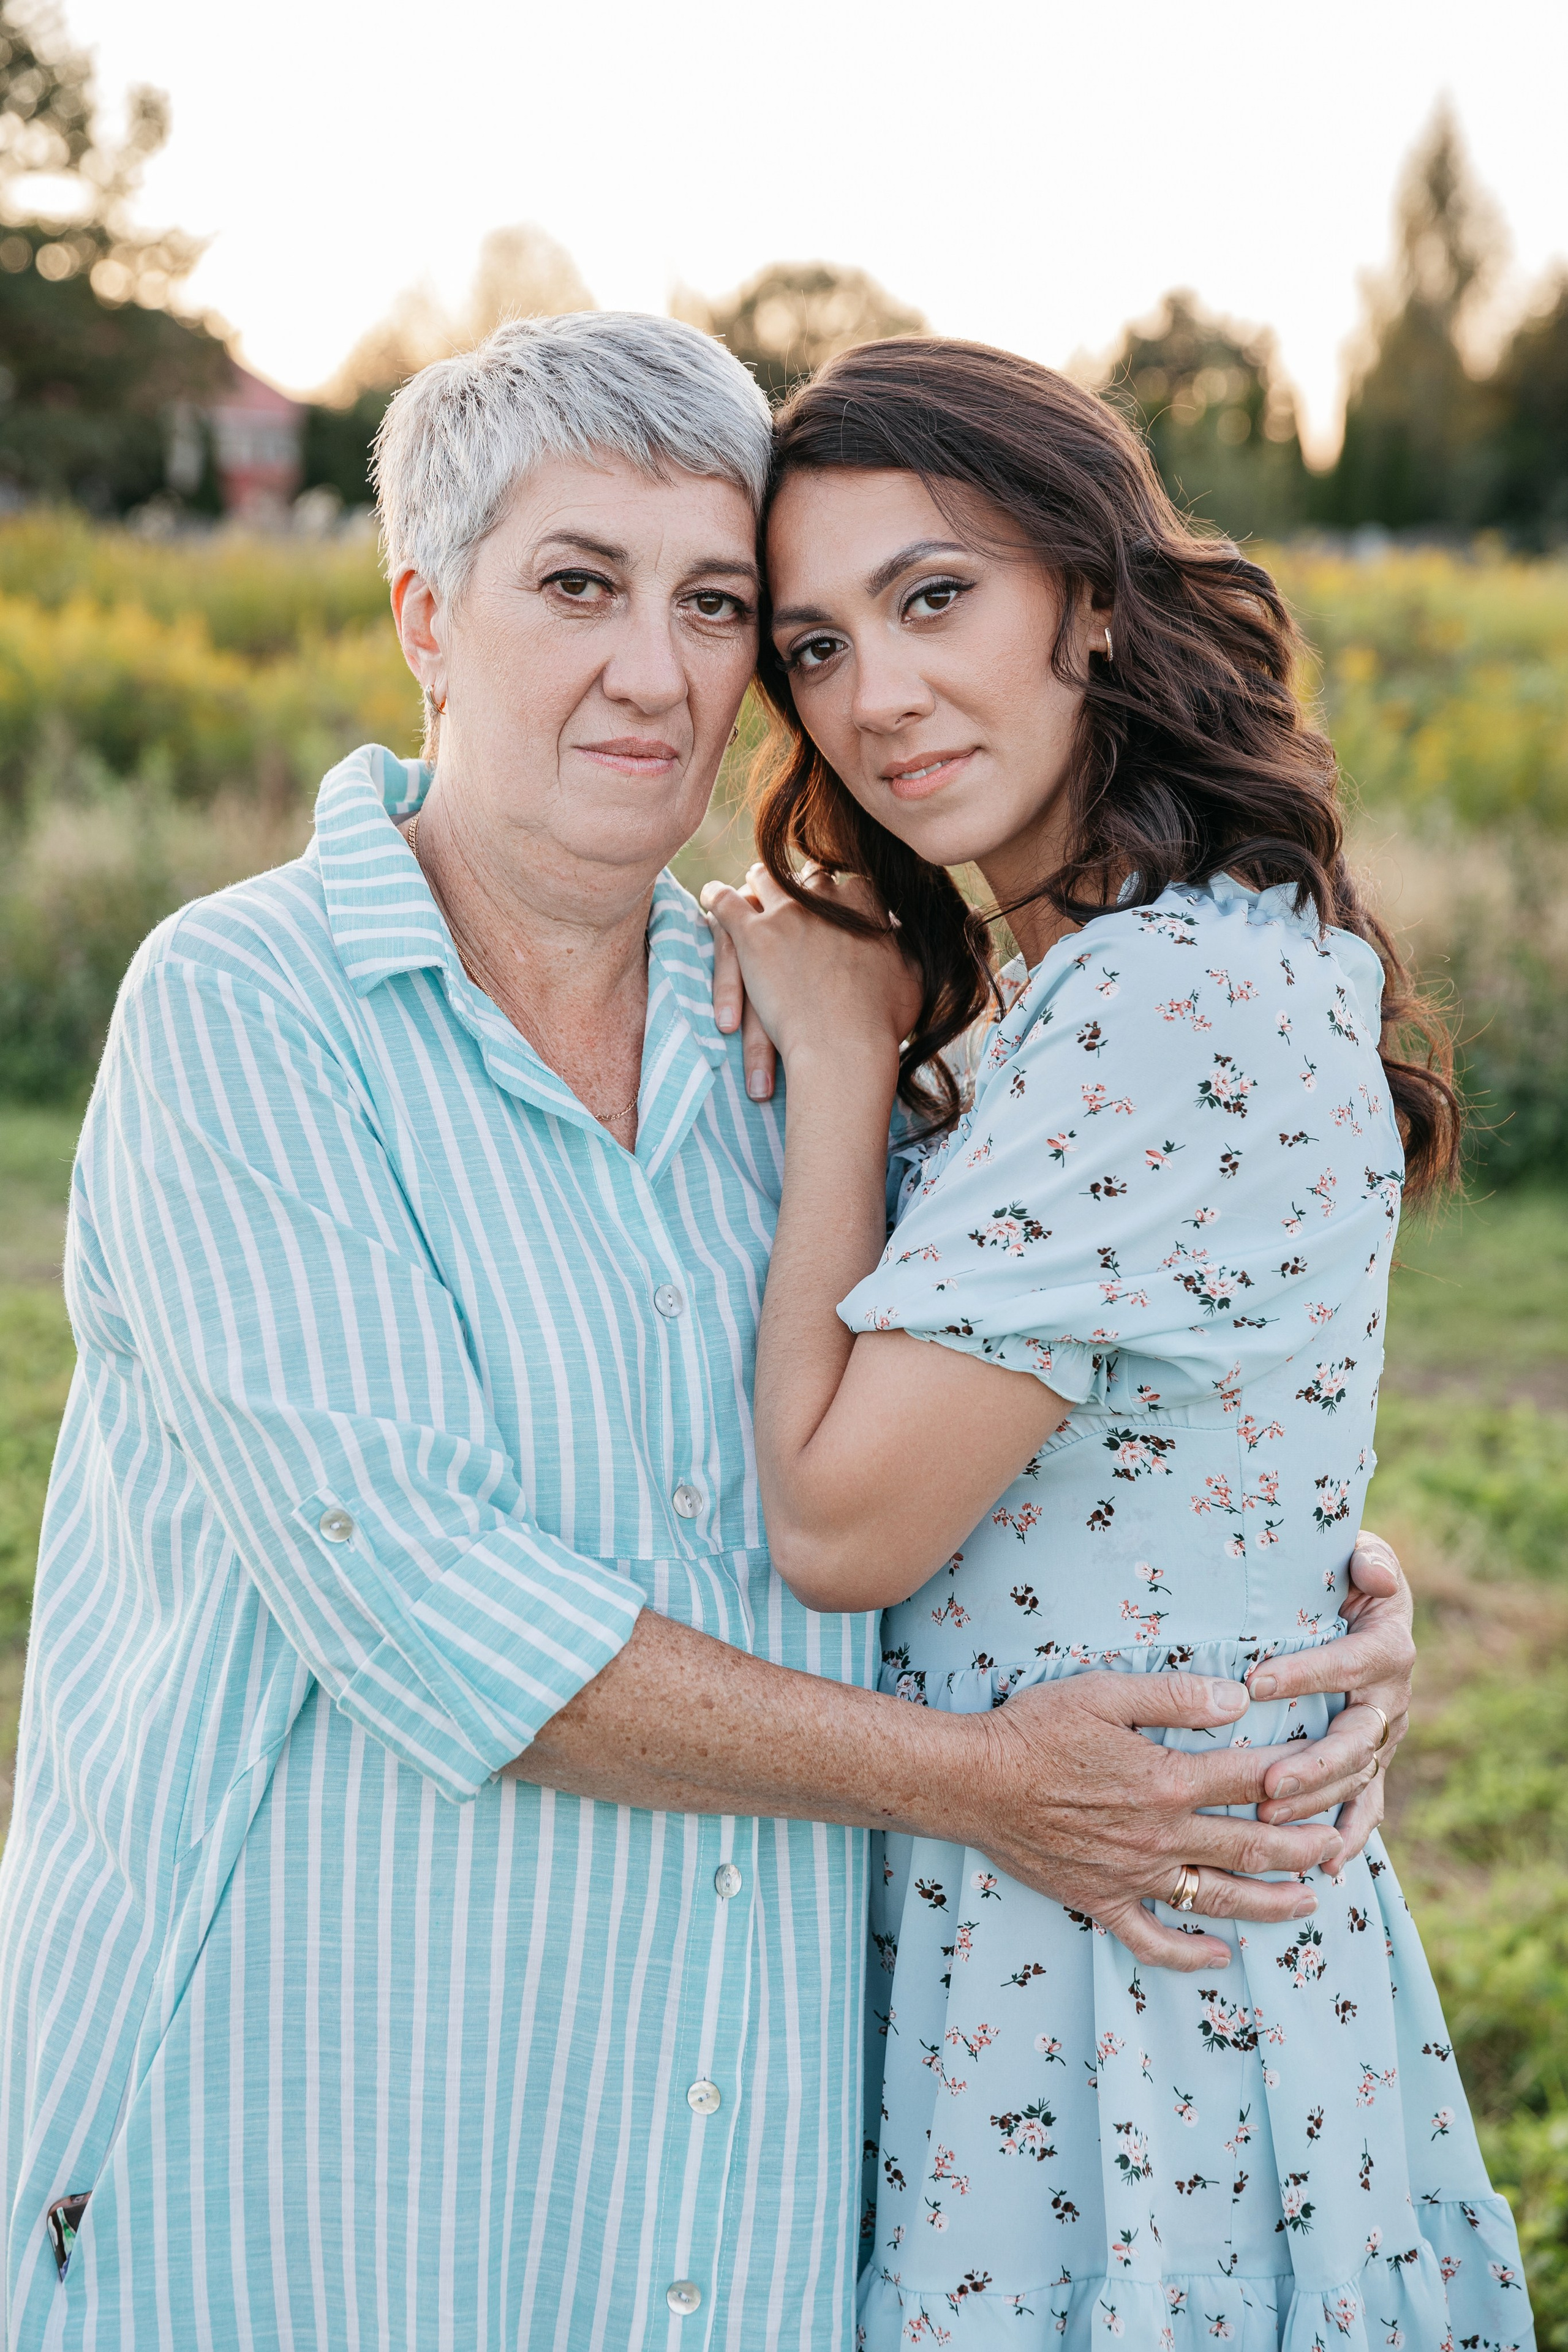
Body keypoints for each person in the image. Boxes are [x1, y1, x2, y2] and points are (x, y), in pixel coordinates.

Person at [0, 314, 1414, 2352]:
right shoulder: (247, 1011)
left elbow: (1086, 1407)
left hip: (717, 2200)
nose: (656, 672)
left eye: (718, 607)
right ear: (425, 616)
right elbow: (419, 1597)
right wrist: (981, 1782)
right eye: (576, 586)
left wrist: (1308, 1595)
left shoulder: (812, 1037)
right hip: (316, 2159)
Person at [703, 339, 1530, 2348]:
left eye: (934, 597)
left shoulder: (1158, 1004)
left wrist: (833, 1057)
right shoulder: (1134, 970)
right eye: (812, 645)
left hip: (1105, 1979)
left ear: (1090, 597)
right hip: (1084, 1889)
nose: (874, 695)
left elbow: (839, 1526)